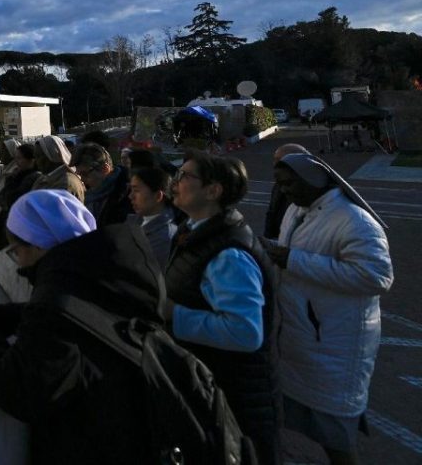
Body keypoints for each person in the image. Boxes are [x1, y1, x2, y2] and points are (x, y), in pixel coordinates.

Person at [0, 189, 163, 463]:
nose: (17, 261)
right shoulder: (117, 270)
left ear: (38, 245)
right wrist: (17, 315)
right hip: (139, 435)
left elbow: (14, 388)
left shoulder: (56, 306)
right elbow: (90, 316)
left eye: (17, 250)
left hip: (92, 446)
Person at [265, 154, 393, 465]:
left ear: (315, 179)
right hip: (306, 335)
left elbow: (377, 276)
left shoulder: (354, 220)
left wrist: (290, 259)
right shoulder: (298, 211)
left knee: (335, 432)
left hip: (337, 341)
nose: (283, 191)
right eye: (279, 184)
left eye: (289, 182)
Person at [165, 151, 281, 465]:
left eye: (185, 176)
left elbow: (245, 332)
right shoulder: (197, 232)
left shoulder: (229, 253)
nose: (175, 183)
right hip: (215, 389)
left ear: (213, 191)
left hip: (237, 400)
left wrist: (172, 314)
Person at [0, 142, 40, 250]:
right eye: (16, 158)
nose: (16, 162)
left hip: (18, 228)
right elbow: (1, 196)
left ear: (31, 160)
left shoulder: (33, 178)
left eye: (20, 158)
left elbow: (12, 200)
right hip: (6, 223)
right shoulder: (15, 174)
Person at [127, 165, 177, 267]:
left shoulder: (165, 237)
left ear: (158, 196)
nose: (130, 196)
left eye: (136, 190)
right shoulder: (132, 222)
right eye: (131, 190)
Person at [73, 143, 130, 227]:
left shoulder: (128, 193)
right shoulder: (88, 195)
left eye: (85, 174)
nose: (81, 180)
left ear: (105, 169)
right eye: (78, 175)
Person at [263, 142, 309, 239]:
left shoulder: (308, 190)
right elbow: (271, 211)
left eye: (279, 160)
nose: (274, 164)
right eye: (275, 160)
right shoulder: (277, 186)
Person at [30, 135, 86, 203]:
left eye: (38, 156)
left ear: (52, 155)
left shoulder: (66, 183)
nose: (35, 161)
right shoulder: (43, 178)